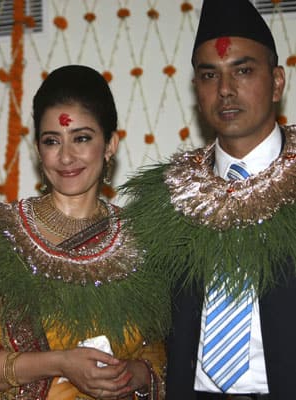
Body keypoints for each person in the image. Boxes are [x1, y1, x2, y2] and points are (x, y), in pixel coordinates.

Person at [121, 0, 296, 399]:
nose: (226, 90)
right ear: (196, 89)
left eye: (244, 70)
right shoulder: (166, 198)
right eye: (209, 75)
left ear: (278, 82)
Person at [0, 65, 167, 399]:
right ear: (37, 150)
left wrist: (135, 374)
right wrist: (60, 362)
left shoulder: (142, 241)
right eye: (52, 141)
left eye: (82, 138)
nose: (66, 157)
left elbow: (163, 355)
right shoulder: (5, 235)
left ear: (110, 144)